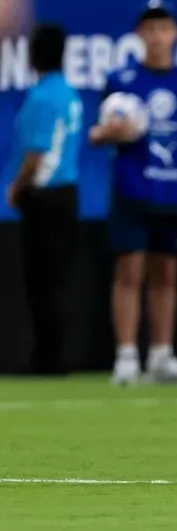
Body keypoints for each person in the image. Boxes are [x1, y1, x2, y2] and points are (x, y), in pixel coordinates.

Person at [89, 0, 177, 386]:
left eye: (164, 28)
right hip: (132, 187)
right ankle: (125, 355)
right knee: (129, 271)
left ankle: (161, 354)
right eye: (150, 29)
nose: (157, 36)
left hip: (173, 190)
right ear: (139, 35)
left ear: (174, 34)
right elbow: (95, 133)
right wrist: (109, 133)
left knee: (166, 273)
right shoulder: (120, 80)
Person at [5, 23, 82, 374]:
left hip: (44, 196)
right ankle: (54, 353)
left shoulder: (41, 97)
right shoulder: (69, 93)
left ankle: (48, 358)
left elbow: (35, 156)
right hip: (68, 195)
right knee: (57, 279)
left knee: (41, 281)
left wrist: (16, 189)